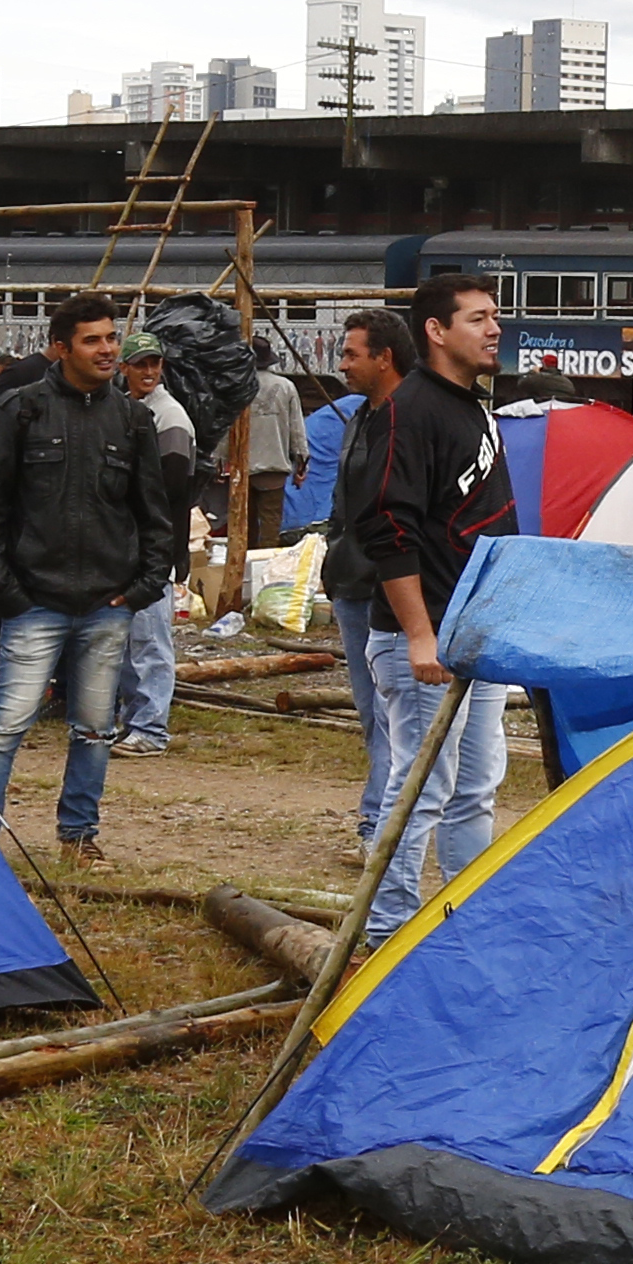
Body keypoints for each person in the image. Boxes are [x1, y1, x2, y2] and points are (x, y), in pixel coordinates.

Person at [0, 294, 177, 864]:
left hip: (108, 604)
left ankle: (78, 836)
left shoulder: (132, 420)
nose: (108, 350)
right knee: (6, 725)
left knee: (93, 730)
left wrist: (143, 587)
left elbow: (157, 514)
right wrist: (7, 590)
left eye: (111, 338)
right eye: (93, 340)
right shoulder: (21, 411)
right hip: (34, 602)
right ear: (61, 347)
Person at [351, 272, 520, 922]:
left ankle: (465, 918)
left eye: (494, 316)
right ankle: (387, 927)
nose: (494, 328)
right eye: (478, 318)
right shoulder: (406, 412)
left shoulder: (474, 403)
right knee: (422, 786)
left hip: (473, 635)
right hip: (421, 640)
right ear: (436, 330)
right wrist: (421, 635)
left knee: (476, 787)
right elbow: (387, 527)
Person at [314, 311, 417, 862]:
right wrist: (334, 558)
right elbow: (345, 502)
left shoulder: (413, 421)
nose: (342, 364)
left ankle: (382, 829)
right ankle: (378, 823)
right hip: (352, 586)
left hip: (398, 592)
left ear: (385, 358)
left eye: (351, 354)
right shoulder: (359, 419)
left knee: (395, 711)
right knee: (372, 709)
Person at [110, 368, 204, 755]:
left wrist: (165, 548)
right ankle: (133, 722)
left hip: (153, 548)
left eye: (155, 363)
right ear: (125, 368)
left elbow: (173, 488)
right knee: (126, 643)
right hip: (125, 547)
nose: (149, 371)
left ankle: (150, 728)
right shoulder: (125, 407)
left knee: (150, 642)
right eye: (141, 363)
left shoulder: (170, 416)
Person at [238, 349, 304, 553]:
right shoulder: (286, 387)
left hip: (244, 468)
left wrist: (220, 460)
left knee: (243, 527)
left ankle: (242, 570)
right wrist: (301, 463)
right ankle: (263, 569)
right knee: (270, 527)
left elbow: (228, 426)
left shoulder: (239, 386)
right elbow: (297, 429)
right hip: (275, 466)